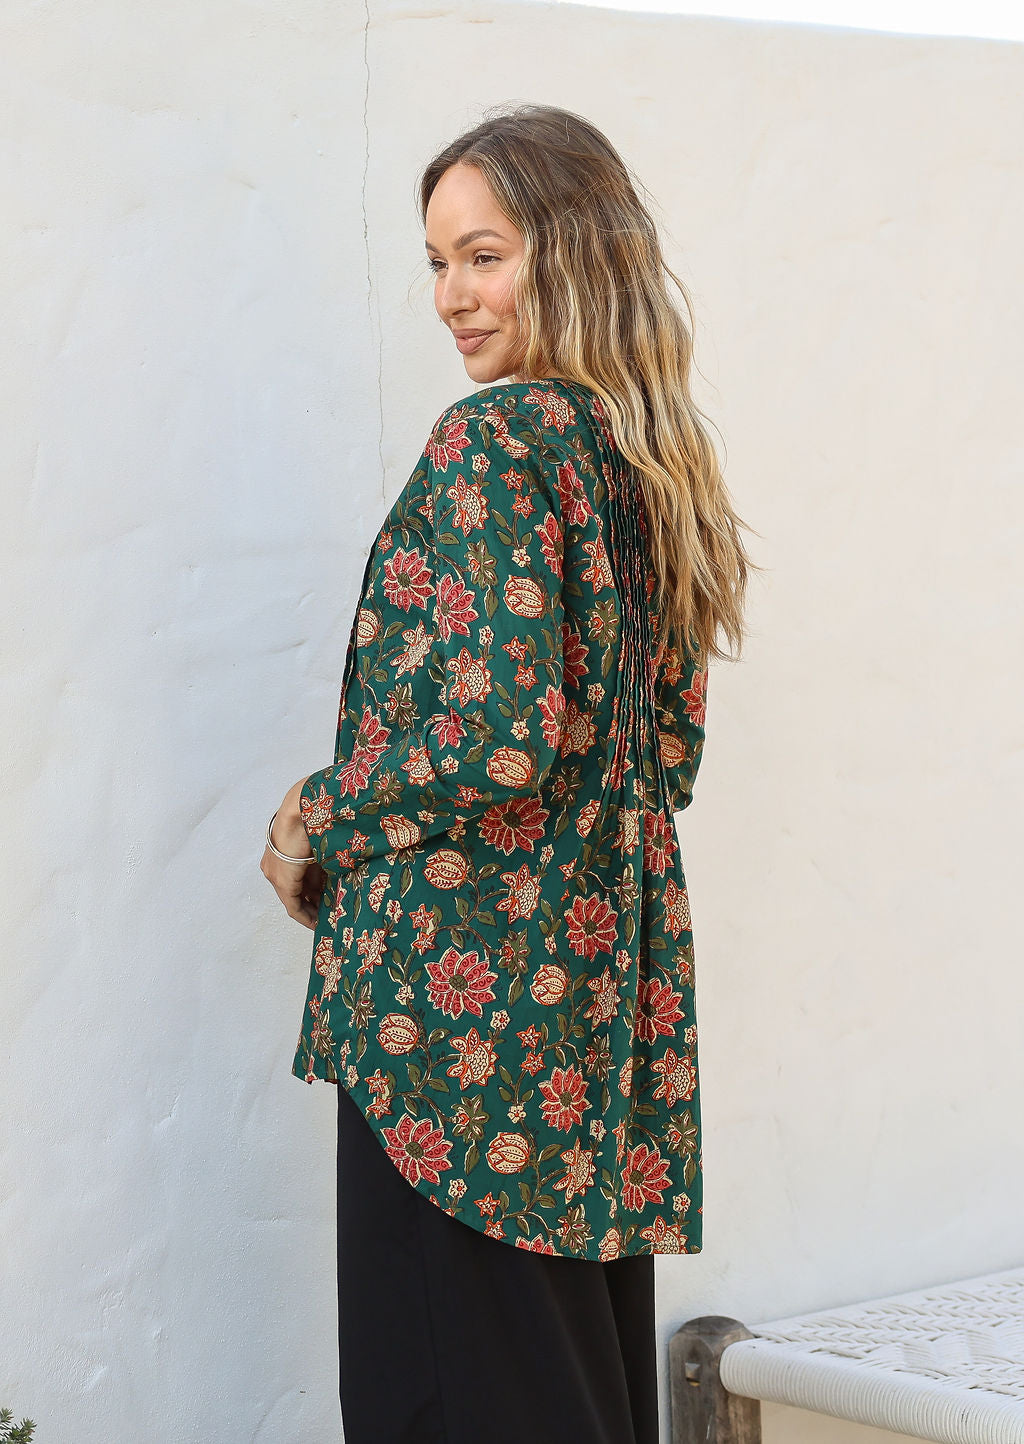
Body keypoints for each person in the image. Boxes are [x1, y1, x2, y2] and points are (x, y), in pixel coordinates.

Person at [261, 103, 753, 1444]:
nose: (450, 298)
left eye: (482, 255)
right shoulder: (650, 468)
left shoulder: (493, 446)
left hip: (453, 1045)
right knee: (567, 1403)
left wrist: (322, 813)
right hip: (591, 1033)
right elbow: (669, 758)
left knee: (451, 1405)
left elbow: (497, 738)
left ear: (572, 250)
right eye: (436, 262)